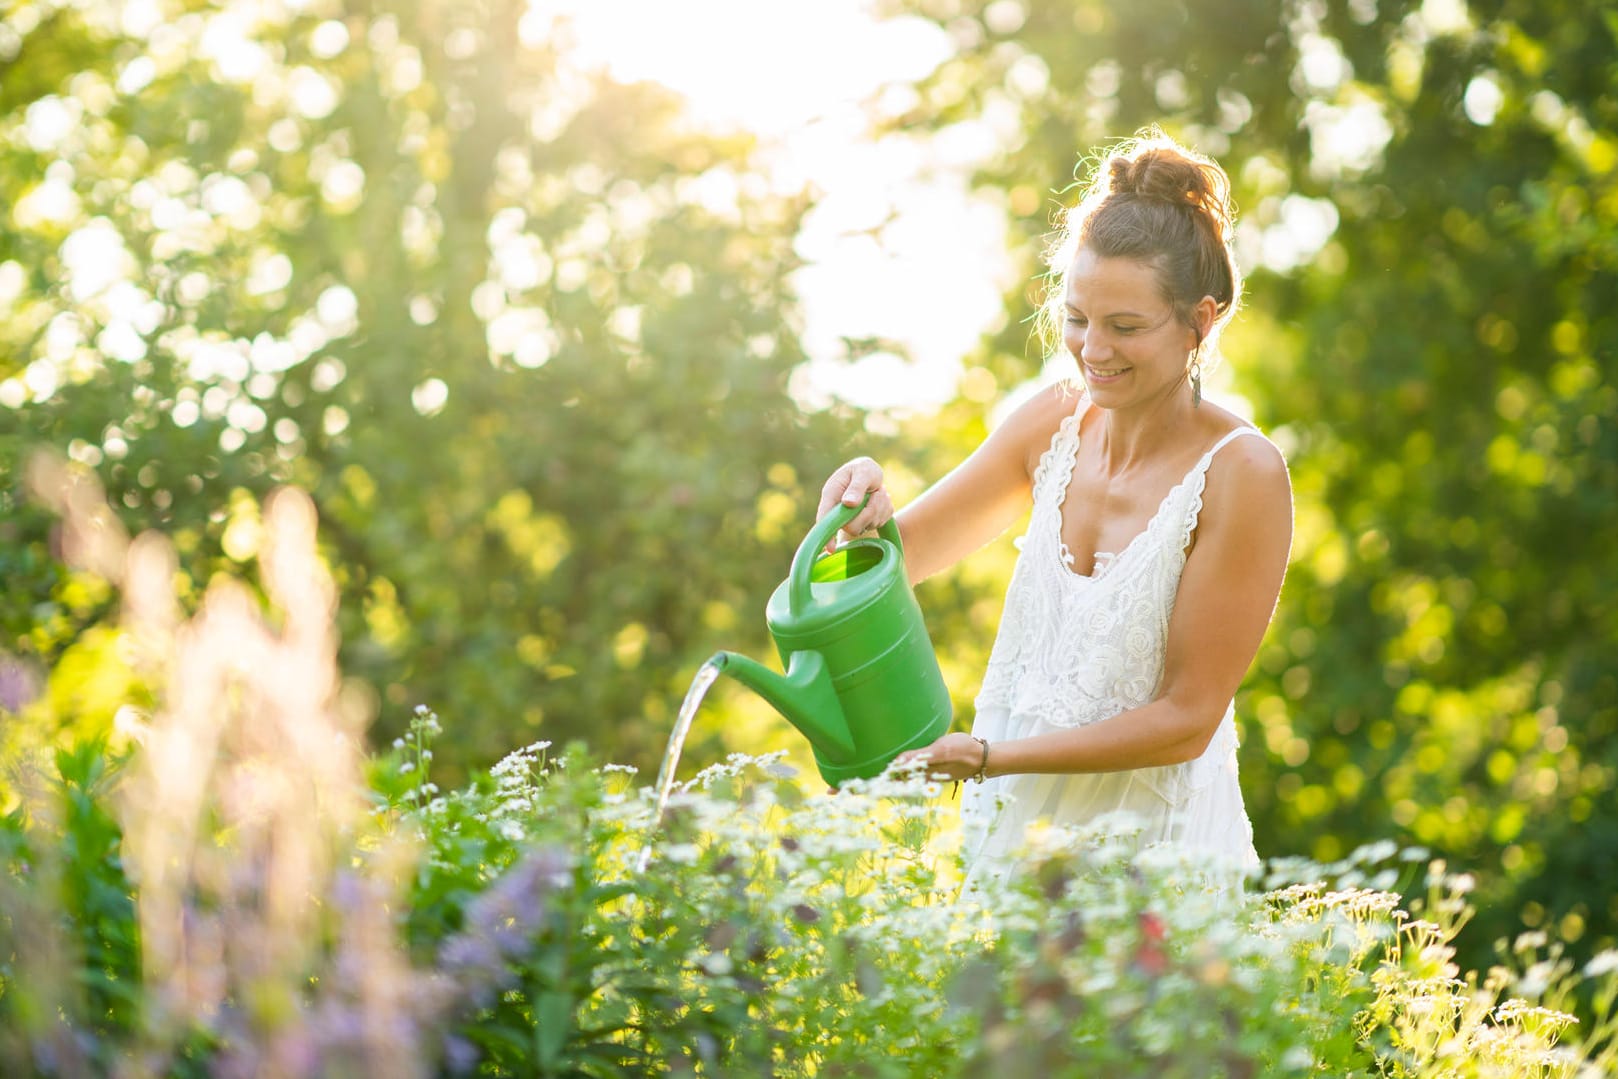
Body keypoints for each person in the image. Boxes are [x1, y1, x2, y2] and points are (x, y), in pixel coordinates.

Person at [815, 131, 1292, 877]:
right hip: (1010, 847)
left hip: (1148, 865)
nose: (1092, 348)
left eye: (1125, 326)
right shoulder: (1051, 424)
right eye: (1077, 318)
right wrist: (857, 501)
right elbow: (883, 570)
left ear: (1200, 320)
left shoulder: (1243, 473)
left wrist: (988, 757)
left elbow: (1186, 719)